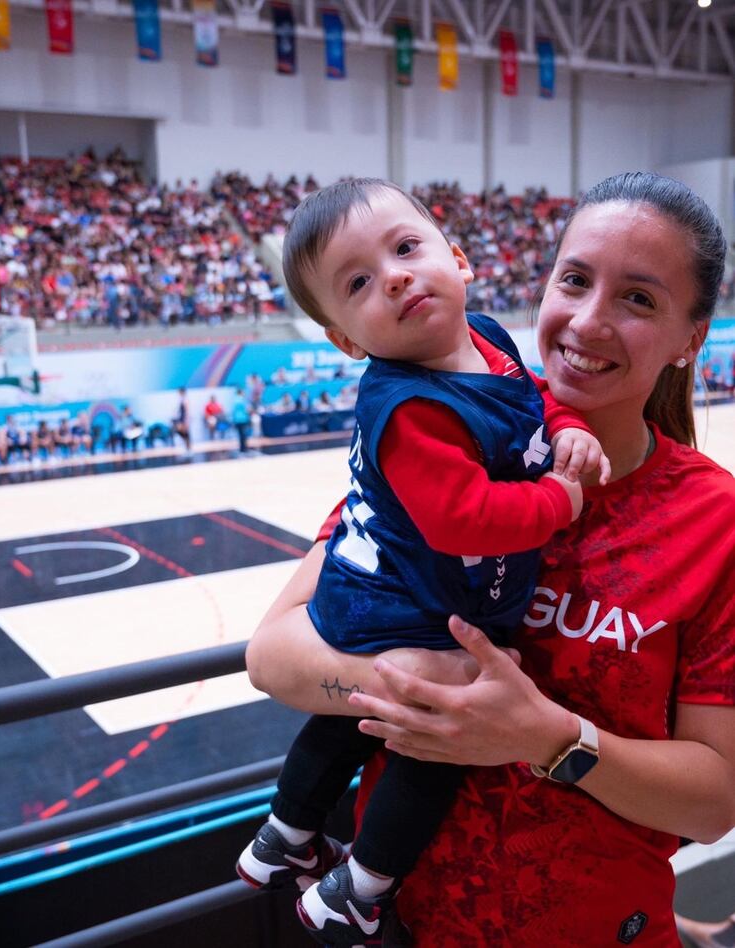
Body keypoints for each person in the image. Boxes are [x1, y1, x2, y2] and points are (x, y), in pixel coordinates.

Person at [246, 172, 735, 947]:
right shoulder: (440, 435)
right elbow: (272, 657)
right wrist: (427, 686)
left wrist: (543, 736)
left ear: (690, 338)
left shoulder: (714, 522)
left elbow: (714, 802)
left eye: (638, 298)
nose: (589, 320)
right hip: (406, 925)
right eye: (574, 280)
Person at [231, 388, 252, 454]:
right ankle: (244, 448)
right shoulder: (243, 400)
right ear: (241, 392)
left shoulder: (234, 400)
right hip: (243, 419)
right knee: (244, 434)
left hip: (237, 419)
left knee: (240, 434)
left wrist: (234, 420)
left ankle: (241, 448)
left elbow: (233, 411)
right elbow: (247, 410)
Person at [172, 387, 191, 452]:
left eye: (179, 392)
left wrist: (186, 420)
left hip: (183, 419)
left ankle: (189, 450)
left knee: (185, 433)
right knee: (181, 432)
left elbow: (187, 411)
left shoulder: (185, 400)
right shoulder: (181, 399)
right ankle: (187, 449)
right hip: (180, 418)